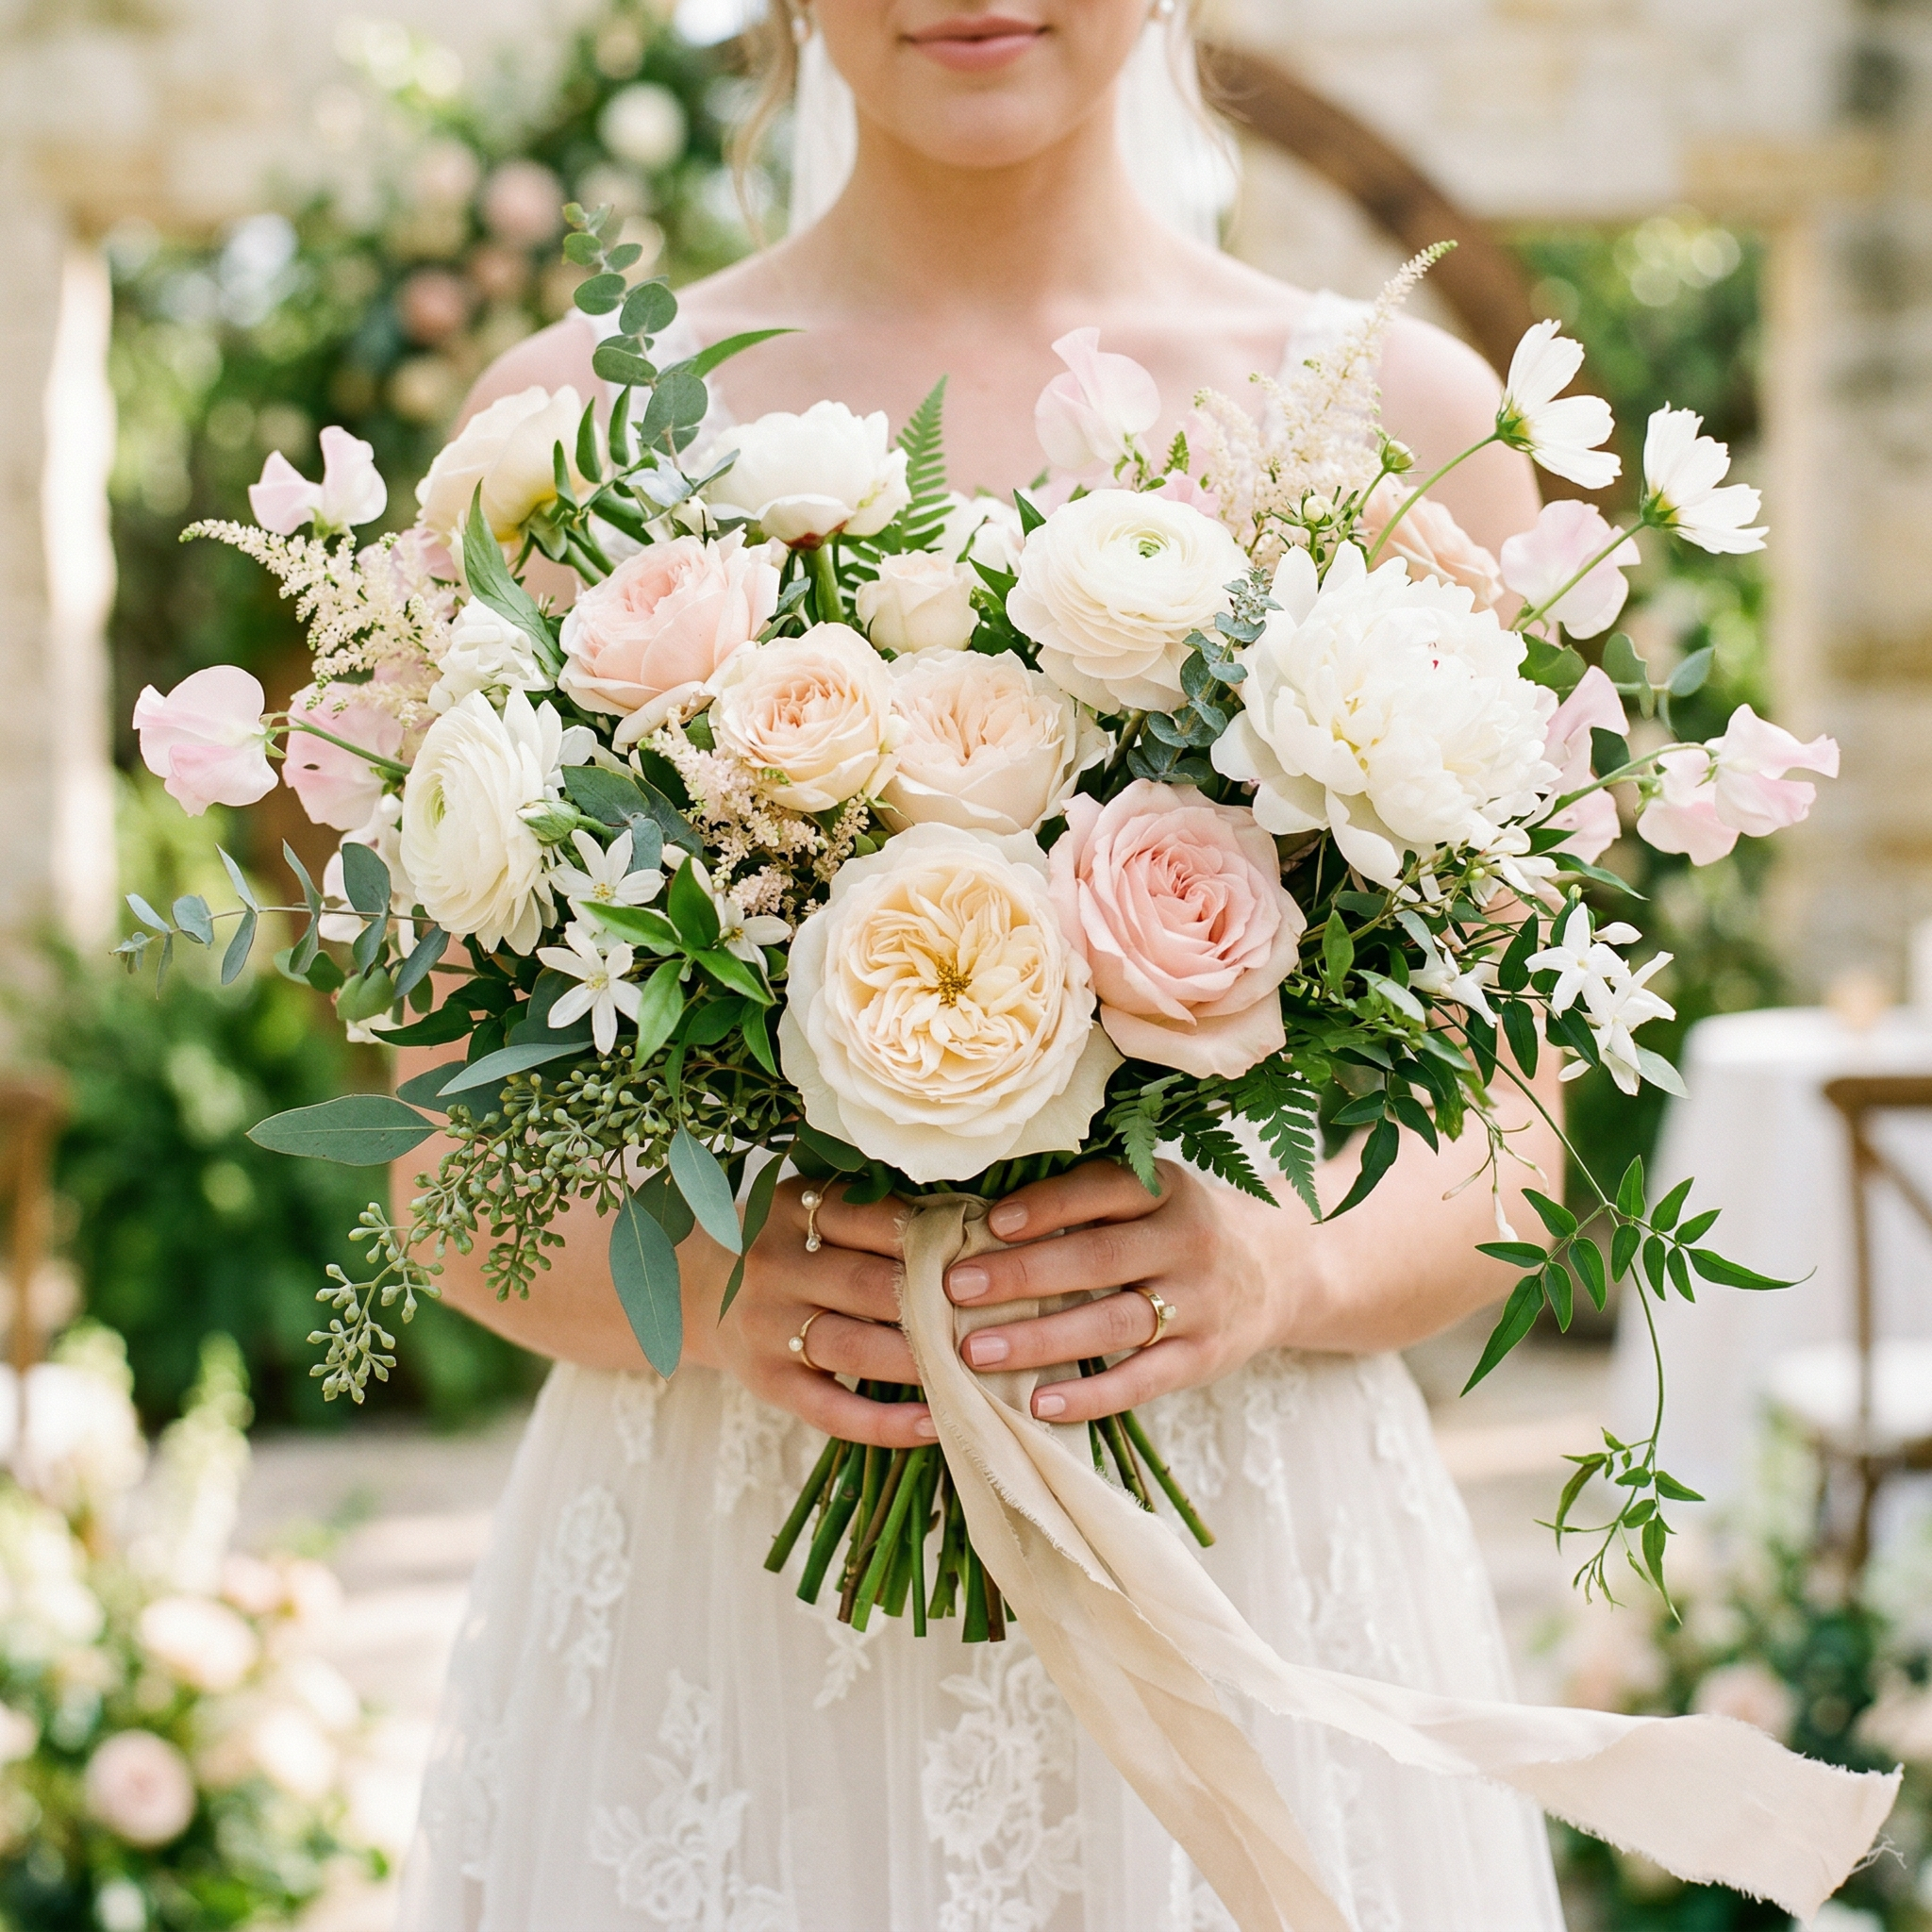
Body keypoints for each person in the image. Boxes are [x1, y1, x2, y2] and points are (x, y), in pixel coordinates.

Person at [394, 4, 1567, 1926]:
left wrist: (1284, 1263)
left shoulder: (1409, 425)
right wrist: (707, 1289)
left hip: (1239, 1550)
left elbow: (1512, 1127)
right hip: (733, 1590)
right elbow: (436, 1152)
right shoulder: (562, 447)